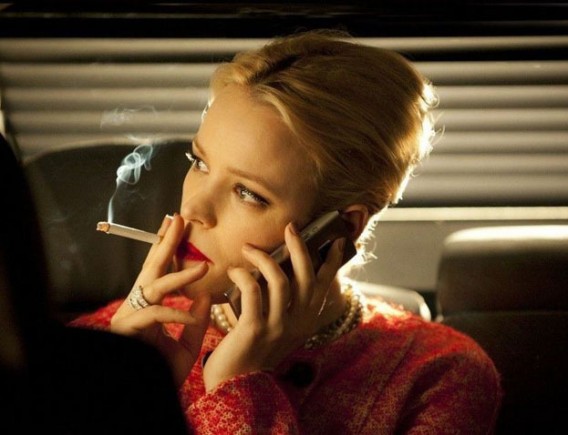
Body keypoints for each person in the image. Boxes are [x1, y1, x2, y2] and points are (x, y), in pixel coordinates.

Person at [69, 29, 502, 434]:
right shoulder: (107, 340)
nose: (192, 209)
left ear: (337, 230)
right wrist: (118, 391)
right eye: (199, 163)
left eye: (248, 193)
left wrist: (240, 385)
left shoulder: (441, 374)